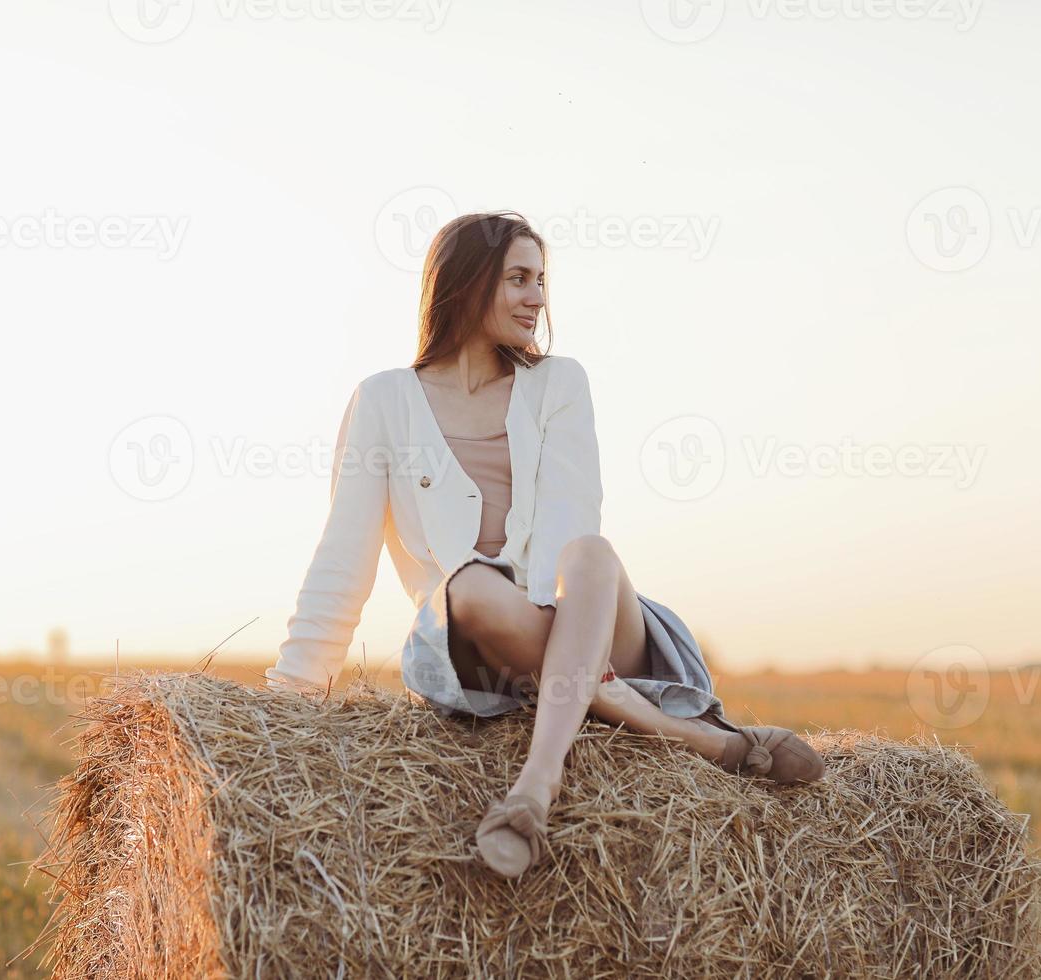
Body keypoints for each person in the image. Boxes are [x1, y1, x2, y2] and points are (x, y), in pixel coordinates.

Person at [268, 211, 824, 878]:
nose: (537, 298)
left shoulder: (560, 385)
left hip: (590, 620)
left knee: (590, 552)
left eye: (541, 280)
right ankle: (683, 733)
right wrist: (284, 716)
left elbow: (568, 528)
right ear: (467, 284)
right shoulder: (383, 401)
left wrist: (565, 644)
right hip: (479, 643)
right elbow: (342, 560)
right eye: (518, 279)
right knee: (468, 584)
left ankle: (536, 785)